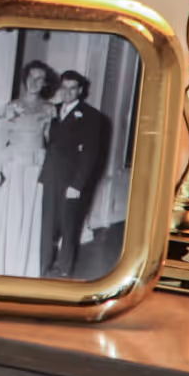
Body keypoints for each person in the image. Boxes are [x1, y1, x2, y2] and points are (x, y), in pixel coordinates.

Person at [0, 60, 56, 276]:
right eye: (32, 77)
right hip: (15, 166)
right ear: (25, 78)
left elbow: (48, 139)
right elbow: (2, 139)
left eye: (40, 79)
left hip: (36, 167)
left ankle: (24, 267)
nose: (35, 82)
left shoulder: (48, 109)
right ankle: (6, 265)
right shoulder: (12, 107)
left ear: (45, 83)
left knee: (31, 213)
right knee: (13, 212)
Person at [39, 70, 110, 279]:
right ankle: (43, 265)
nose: (67, 92)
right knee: (46, 224)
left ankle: (63, 269)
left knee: (69, 226)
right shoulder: (52, 111)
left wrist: (77, 185)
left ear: (80, 90)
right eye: (64, 88)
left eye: (72, 88)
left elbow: (89, 155)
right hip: (50, 178)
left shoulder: (91, 116)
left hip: (71, 182)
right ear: (60, 89)